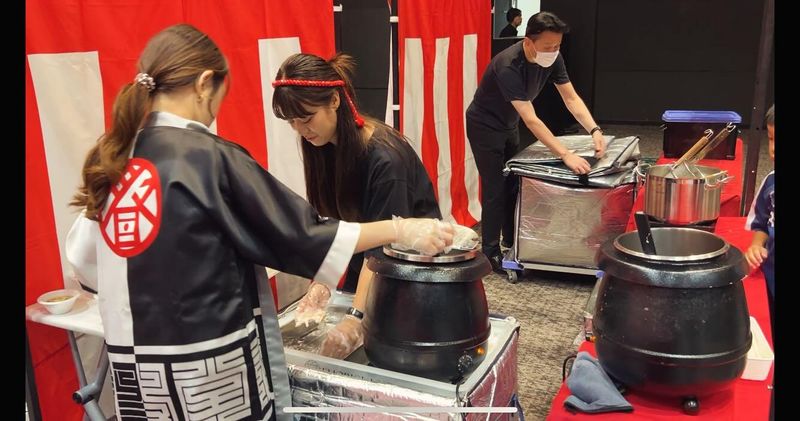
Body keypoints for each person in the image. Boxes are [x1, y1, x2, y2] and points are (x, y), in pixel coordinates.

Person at [64, 23, 453, 421]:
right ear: (204, 83)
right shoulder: (211, 159)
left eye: (304, 119)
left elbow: (84, 261)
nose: (301, 130)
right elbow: (303, 234)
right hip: (209, 368)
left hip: (141, 373)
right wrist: (400, 229)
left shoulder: (117, 157)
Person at [271, 52, 443, 359]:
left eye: (306, 118)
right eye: (292, 122)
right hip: (365, 264)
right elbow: (336, 225)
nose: (300, 130)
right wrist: (323, 281)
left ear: (334, 101)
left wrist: (356, 318)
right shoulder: (322, 145)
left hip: (410, 272)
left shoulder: (386, 160)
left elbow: (383, 248)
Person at [465, 11, 606, 273]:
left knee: (513, 181)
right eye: (548, 46)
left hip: (509, 124)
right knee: (495, 187)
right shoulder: (508, 65)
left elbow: (571, 98)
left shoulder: (553, 57)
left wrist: (594, 129)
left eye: (557, 46)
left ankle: (511, 240)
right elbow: (531, 119)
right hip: (484, 125)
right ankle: (490, 252)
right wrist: (565, 154)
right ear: (528, 42)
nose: (553, 51)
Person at [745, 104, 774, 317]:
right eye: (772, 139)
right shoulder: (771, 183)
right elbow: (762, 223)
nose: (773, 149)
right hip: (770, 278)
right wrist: (756, 245)